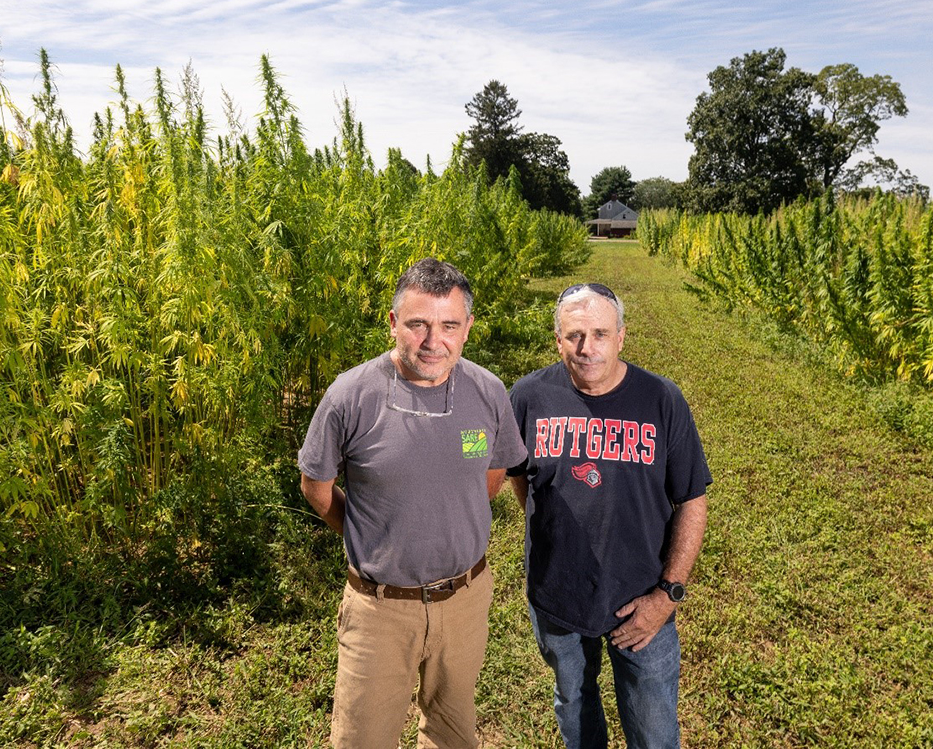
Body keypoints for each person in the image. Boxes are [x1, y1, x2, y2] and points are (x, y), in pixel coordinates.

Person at [298, 257, 527, 749]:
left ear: (467, 329)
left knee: (452, 731)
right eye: (418, 324)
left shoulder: (487, 391)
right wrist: (369, 532)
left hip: (465, 599)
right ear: (393, 322)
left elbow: (492, 475)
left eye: (448, 325)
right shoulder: (351, 395)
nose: (432, 341)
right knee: (363, 738)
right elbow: (315, 488)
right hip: (380, 610)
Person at [507, 282, 711, 748]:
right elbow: (518, 475)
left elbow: (693, 501)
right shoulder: (527, 397)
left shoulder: (661, 399)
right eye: (574, 335)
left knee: (654, 727)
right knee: (575, 707)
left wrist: (667, 595)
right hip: (559, 594)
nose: (587, 348)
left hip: (642, 600)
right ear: (557, 339)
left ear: (622, 336)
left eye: (600, 333)